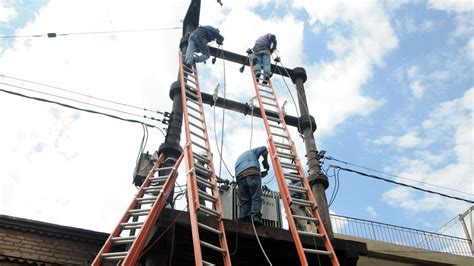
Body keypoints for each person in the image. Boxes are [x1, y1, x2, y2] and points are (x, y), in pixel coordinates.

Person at [234, 146, 270, 224]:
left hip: (240, 176)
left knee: (245, 200)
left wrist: (259, 175)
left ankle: (244, 217)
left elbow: (247, 175)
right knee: (255, 196)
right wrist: (265, 162)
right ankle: (255, 217)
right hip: (252, 172)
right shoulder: (253, 151)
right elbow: (264, 149)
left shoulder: (240, 158)